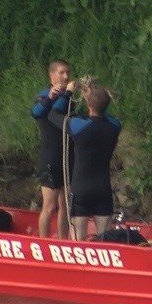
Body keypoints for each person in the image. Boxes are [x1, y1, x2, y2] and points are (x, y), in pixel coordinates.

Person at [48, 77, 121, 241]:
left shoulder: (79, 125)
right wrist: (97, 96)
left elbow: (53, 115)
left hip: (81, 188)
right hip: (103, 189)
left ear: (88, 104)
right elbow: (104, 114)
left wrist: (68, 93)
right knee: (105, 241)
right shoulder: (115, 125)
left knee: (77, 241)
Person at [30, 59, 75, 238]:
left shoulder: (70, 98)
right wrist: (51, 96)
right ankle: (43, 242)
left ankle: (63, 241)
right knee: (49, 205)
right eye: (61, 73)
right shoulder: (44, 96)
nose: (65, 76)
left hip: (67, 156)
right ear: (52, 76)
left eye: (67, 73)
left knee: (65, 204)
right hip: (50, 157)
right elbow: (36, 112)